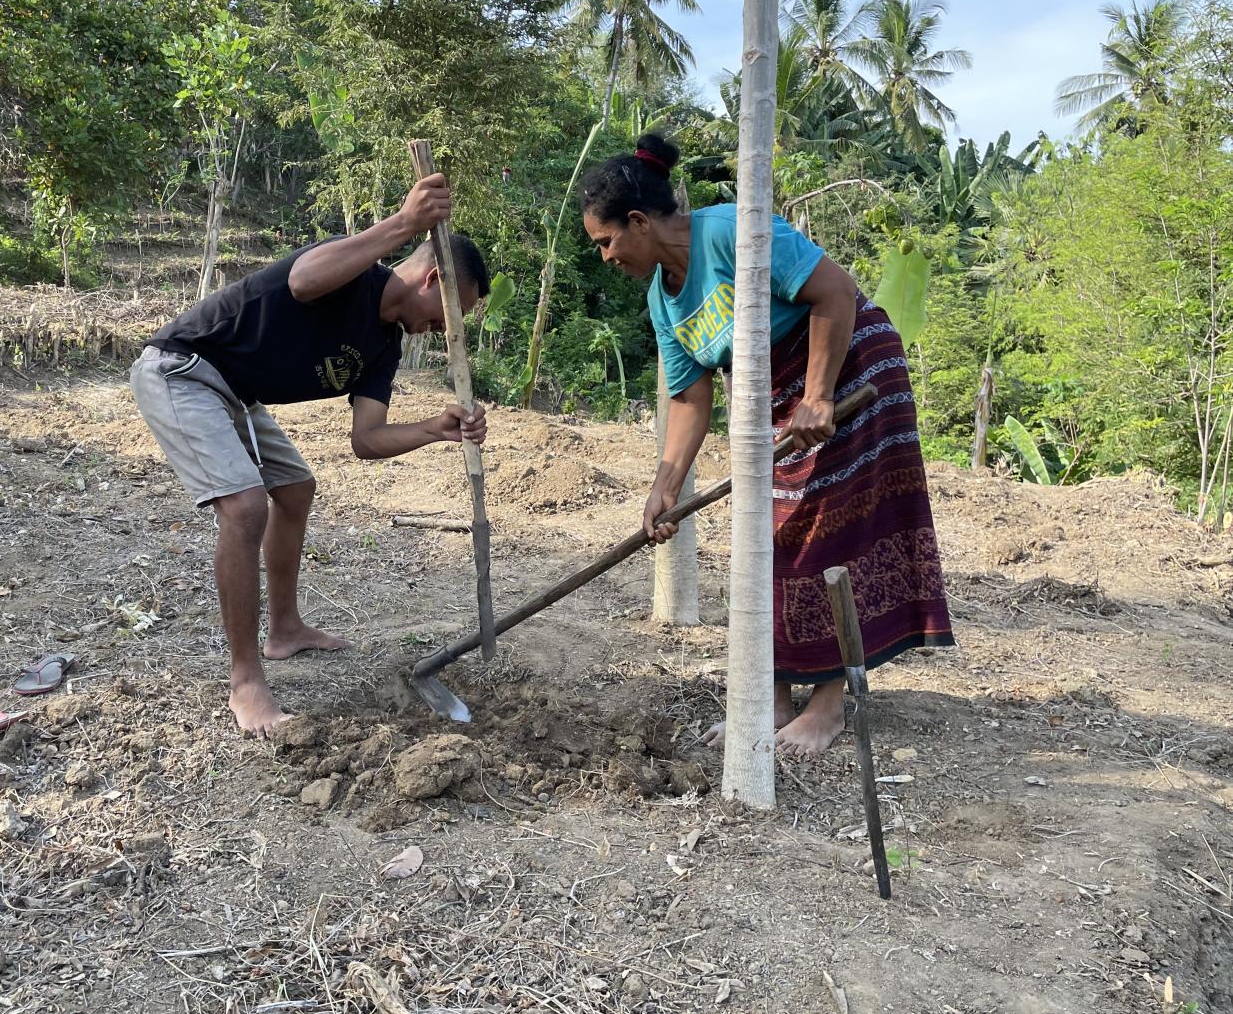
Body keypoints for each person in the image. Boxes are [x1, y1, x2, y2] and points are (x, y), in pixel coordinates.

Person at [581, 134, 954, 756]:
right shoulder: (661, 298)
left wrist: (818, 395)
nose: (605, 257)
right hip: (776, 404)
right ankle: (774, 695)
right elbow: (688, 397)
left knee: (827, 528)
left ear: (640, 223)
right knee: (768, 537)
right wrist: (665, 486)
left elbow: (833, 291)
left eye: (606, 241)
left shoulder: (729, 231)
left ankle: (831, 703)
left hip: (848, 371)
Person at [132, 174, 490, 736]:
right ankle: (245, 682)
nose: (442, 329)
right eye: (448, 313)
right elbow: (302, 281)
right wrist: (403, 224)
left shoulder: (386, 344)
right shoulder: (353, 272)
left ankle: (285, 629)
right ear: (433, 279)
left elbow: (366, 439)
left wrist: (435, 429)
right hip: (182, 369)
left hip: (235, 394)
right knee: (246, 507)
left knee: (295, 488)